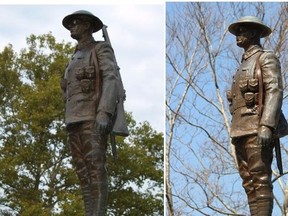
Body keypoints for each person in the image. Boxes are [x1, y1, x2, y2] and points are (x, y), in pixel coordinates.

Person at [61, 10, 120, 216]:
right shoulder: (74, 56)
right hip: (73, 119)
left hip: (92, 117)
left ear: (87, 25)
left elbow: (111, 78)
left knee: (95, 168)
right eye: (70, 24)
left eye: (76, 23)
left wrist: (104, 113)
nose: (72, 26)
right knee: (82, 171)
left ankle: (98, 213)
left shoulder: (100, 48)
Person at [227, 16, 285, 216]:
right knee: (248, 181)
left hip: (256, 127)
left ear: (253, 33)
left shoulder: (265, 58)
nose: (238, 36)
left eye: (242, 31)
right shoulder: (243, 64)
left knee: (260, 178)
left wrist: (267, 125)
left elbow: (274, 90)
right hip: (240, 130)